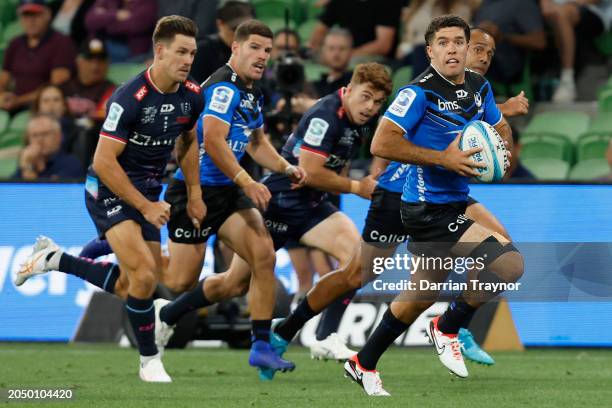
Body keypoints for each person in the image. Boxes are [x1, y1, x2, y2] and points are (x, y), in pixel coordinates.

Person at [154, 62, 392, 380]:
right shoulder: (325, 115)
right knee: (233, 284)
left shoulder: (356, 123)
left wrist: (347, 185)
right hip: (278, 204)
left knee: (360, 262)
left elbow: (336, 168)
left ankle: (322, 334)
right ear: (350, 88)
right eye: (366, 98)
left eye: (377, 103)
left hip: (311, 207)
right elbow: (312, 170)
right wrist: (354, 188)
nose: (370, 108)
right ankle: (169, 312)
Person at [15, 16, 205, 383]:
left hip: (148, 189)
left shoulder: (191, 96)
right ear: (160, 51)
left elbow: (187, 140)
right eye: (181, 52)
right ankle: (149, 360)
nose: (187, 60)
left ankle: (56, 259)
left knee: (136, 285)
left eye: (193, 53)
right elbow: (103, 161)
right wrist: (147, 206)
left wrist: (194, 193)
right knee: (146, 275)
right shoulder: (129, 97)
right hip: (106, 187)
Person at [343, 15, 523, 396]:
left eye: (459, 41)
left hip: (456, 200)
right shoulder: (418, 93)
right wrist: (443, 159)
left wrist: (502, 152)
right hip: (426, 208)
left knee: (417, 297)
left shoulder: (478, 86)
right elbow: (381, 144)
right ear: (430, 51)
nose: (452, 48)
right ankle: (448, 326)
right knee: (509, 263)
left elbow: (498, 124)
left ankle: (363, 362)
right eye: (443, 42)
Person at [0, 0, 77, 113]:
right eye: (26, 15)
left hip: (44, 106)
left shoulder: (61, 42)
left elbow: (57, 85)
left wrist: (19, 100)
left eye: (36, 14)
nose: (31, 21)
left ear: (47, 15)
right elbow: (3, 78)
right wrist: (2, 95)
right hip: (14, 104)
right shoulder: (15, 43)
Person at [540, 0, 612, 103]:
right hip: (555, 14)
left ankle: (567, 78)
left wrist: (566, 4)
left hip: (592, 12)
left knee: (561, 14)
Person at [61, 38, 116, 166]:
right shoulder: (64, 88)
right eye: (89, 60)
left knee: (84, 132)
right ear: (79, 61)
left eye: (100, 61)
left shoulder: (112, 92)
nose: (95, 66)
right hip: (63, 139)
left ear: (107, 63)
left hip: (91, 144)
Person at [474, 0, 547, 84]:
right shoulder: (485, 4)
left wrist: (503, 37)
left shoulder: (523, 3)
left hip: (505, 64)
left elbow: (539, 42)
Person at [308, 0, 404, 58]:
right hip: (343, 54)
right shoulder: (339, 2)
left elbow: (383, 45)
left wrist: (346, 55)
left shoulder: (388, 2)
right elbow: (320, 30)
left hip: (375, 59)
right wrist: (315, 48)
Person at [190, 0, 254, 83]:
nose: (240, 35)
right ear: (220, 24)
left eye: (246, 30)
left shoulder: (253, 51)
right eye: (235, 29)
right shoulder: (203, 51)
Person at [13, 113, 83, 180]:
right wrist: (27, 165)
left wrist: (28, 169)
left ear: (59, 136)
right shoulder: (28, 161)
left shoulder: (71, 164)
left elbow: (43, 191)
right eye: (35, 135)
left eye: (45, 134)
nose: (39, 140)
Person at [85, 0, 158, 62]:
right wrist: (115, 15)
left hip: (132, 51)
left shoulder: (147, 3)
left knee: (95, 53)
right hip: (103, 44)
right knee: (90, 50)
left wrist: (103, 21)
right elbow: (89, 20)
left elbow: (135, 25)